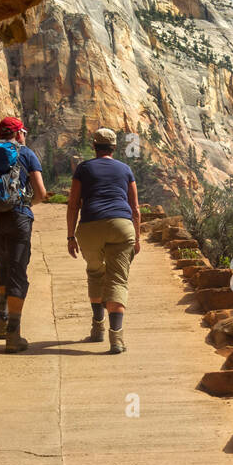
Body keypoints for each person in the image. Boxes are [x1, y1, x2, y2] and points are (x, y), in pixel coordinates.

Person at [0, 116, 48, 353]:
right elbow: (41, 192)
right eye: (22, 132)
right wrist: (27, 205)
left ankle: (2, 322)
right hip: (18, 217)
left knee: (2, 264)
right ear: (18, 134)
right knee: (17, 271)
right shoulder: (26, 154)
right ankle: (13, 335)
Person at [66, 127, 141, 354]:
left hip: (90, 226)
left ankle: (97, 328)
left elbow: (73, 204)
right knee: (118, 280)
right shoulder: (125, 169)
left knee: (96, 272)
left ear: (94, 146)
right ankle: (116, 338)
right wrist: (137, 237)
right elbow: (135, 208)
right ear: (114, 147)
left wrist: (71, 236)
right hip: (121, 225)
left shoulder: (84, 168)